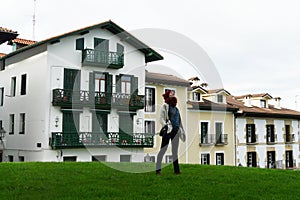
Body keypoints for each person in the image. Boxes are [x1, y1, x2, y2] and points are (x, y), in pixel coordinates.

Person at [156, 90, 185, 175]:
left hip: (176, 131)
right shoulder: (165, 106)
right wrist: (165, 125)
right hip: (168, 130)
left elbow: (179, 121)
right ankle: (158, 170)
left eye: (173, 93)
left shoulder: (176, 109)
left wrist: (182, 131)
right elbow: (161, 118)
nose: (173, 94)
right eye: (171, 93)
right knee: (163, 150)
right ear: (167, 95)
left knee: (175, 151)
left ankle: (177, 171)